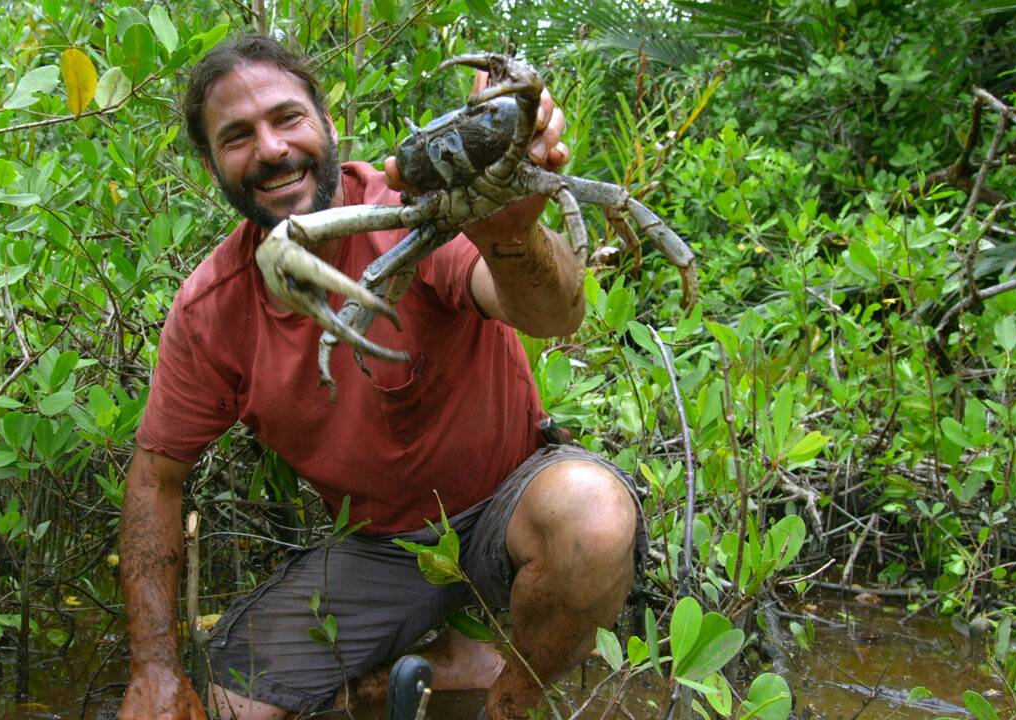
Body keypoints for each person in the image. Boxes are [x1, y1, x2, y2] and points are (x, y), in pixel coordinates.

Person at [118, 35, 646, 720]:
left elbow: (551, 315)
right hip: (385, 549)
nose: (271, 149)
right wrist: (155, 669)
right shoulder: (211, 311)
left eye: (287, 117)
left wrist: (510, 234)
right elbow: (154, 478)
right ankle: (452, 660)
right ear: (212, 164)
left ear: (327, 124)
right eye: (237, 136)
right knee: (228, 705)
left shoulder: (407, 204)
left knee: (593, 515)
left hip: (511, 505)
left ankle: (511, 702)